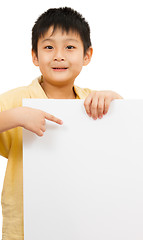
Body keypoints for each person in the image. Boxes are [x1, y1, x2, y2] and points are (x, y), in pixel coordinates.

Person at [0, 7, 123, 240]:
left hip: (85, 221)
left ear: (87, 55)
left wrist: (114, 99)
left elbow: (129, 134)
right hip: (26, 228)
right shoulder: (15, 100)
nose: (58, 55)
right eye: (48, 47)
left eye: (70, 47)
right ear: (34, 56)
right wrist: (16, 116)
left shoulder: (93, 101)